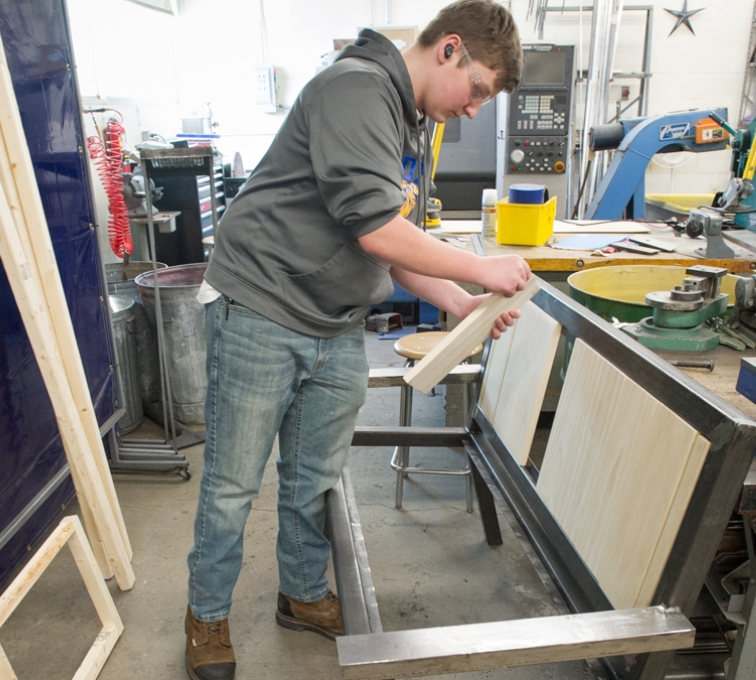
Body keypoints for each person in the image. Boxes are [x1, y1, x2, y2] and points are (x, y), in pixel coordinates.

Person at [185, 2, 528, 678]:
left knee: (312, 480)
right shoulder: (356, 89)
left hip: (334, 321)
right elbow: (376, 227)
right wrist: (480, 267)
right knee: (231, 486)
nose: (473, 110)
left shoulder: (407, 119)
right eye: (479, 90)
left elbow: (391, 244)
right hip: (260, 308)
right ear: (448, 50)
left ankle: (302, 596)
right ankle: (206, 618)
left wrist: (458, 300)